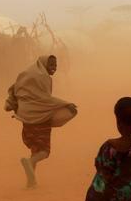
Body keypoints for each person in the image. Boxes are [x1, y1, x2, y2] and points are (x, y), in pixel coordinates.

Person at [5, 55, 77, 188]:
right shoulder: (43, 78)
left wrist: (10, 104)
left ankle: (31, 182)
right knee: (44, 150)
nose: (54, 68)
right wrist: (67, 104)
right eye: (51, 65)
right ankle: (30, 161)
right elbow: (45, 100)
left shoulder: (26, 74)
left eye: (55, 65)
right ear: (44, 64)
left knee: (35, 148)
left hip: (26, 117)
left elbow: (14, 89)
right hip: (41, 118)